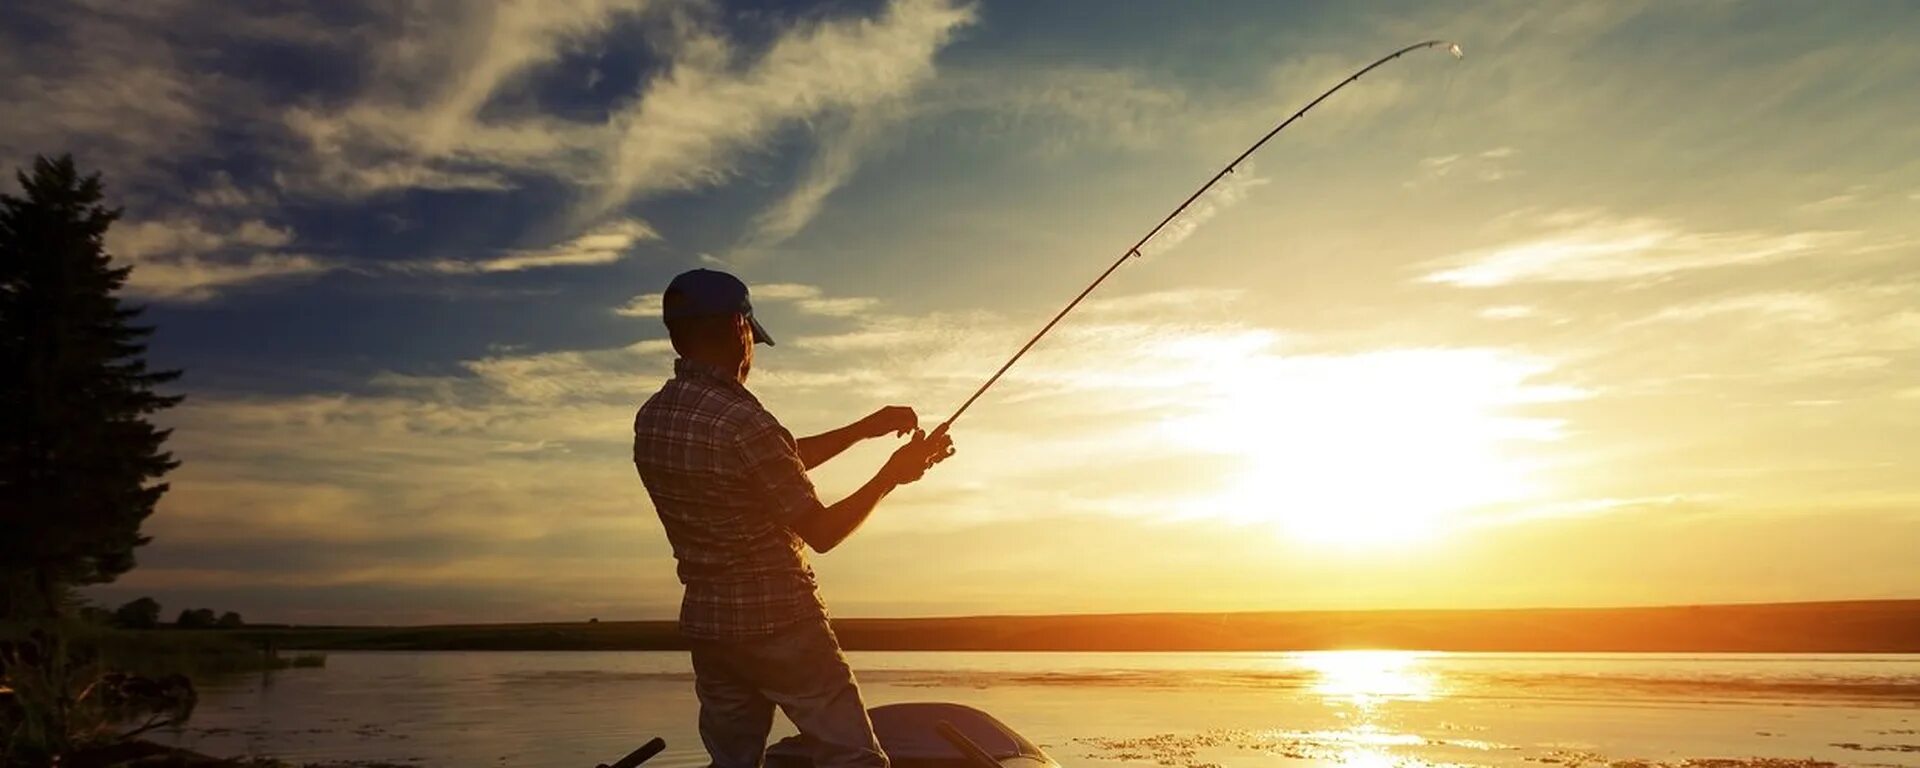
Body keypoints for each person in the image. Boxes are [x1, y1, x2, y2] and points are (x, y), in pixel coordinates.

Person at [632, 268, 955, 768]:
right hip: (781, 622)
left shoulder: (654, 418)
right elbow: (821, 533)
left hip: (711, 628)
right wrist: (892, 475)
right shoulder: (744, 421)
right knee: (856, 760)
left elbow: (765, 462)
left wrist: (864, 429)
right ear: (741, 329)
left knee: (733, 763)